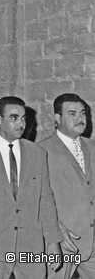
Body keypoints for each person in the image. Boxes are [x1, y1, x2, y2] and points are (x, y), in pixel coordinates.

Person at [0, 96, 63, 279]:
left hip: (30, 248)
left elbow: (46, 200)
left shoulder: (37, 153)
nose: (21, 123)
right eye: (14, 118)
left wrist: (53, 241)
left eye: (24, 118)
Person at [39, 93, 95, 279]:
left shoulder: (93, 147)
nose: (80, 119)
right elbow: (35, 198)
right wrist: (56, 233)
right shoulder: (41, 151)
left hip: (92, 243)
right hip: (63, 244)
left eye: (83, 113)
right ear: (57, 118)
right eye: (72, 114)